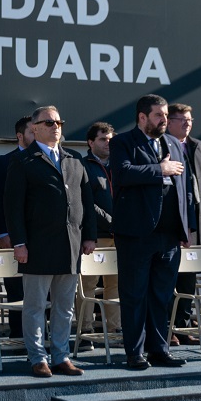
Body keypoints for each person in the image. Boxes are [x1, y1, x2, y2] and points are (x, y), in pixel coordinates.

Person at [4, 105, 97, 378]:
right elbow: (13, 207)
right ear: (34, 128)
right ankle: (37, 358)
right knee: (35, 306)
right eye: (48, 122)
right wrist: (19, 243)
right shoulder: (23, 161)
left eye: (58, 122)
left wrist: (89, 235)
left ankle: (61, 356)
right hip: (37, 246)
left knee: (64, 306)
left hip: (70, 245)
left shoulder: (74, 159)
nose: (55, 126)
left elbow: (86, 202)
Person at [109, 94, 194, 370]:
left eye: (166, 115)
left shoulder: (174, 144)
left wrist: (186, 226)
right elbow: (123, 173)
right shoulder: (123, 142)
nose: (164, 120)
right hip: (136, 234)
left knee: (162, 296)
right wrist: (160, 169)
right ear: (142, 117)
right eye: (159, 115)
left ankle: (159, 349)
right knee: (134, 295)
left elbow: (185, 188)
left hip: (168, 235)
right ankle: (135, 353)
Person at [165, 103, 201, 346]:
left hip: (195, 223)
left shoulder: (198, 146)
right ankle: (167, 329)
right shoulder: (162, 145)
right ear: (169, 122)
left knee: (188, 279)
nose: (187, 123)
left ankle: (183, 327)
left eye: (190, 119)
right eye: (182, 119)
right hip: (173, 224)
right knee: (169, 279)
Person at [0, 116, 34, 340]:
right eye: (32, 131)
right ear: (20, 135)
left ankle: (40, 335)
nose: (37, 135)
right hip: (13, 237)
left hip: (41, 236)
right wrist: (2, 232)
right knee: (16, 288)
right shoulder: (4, 162)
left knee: (43, 291)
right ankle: (18, 334)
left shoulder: (49, 159)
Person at [76, 122, 121, 350]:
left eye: (111, 140)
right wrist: (113, 222)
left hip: (120, 236)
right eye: (103, 139)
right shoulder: (83, 165)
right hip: (94, 236)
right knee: (88, 285)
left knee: (115, 285)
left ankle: (114, 330)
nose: (108, 144)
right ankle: (85, 331)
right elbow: (87, 203)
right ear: (91, 142)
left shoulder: (120, 165)